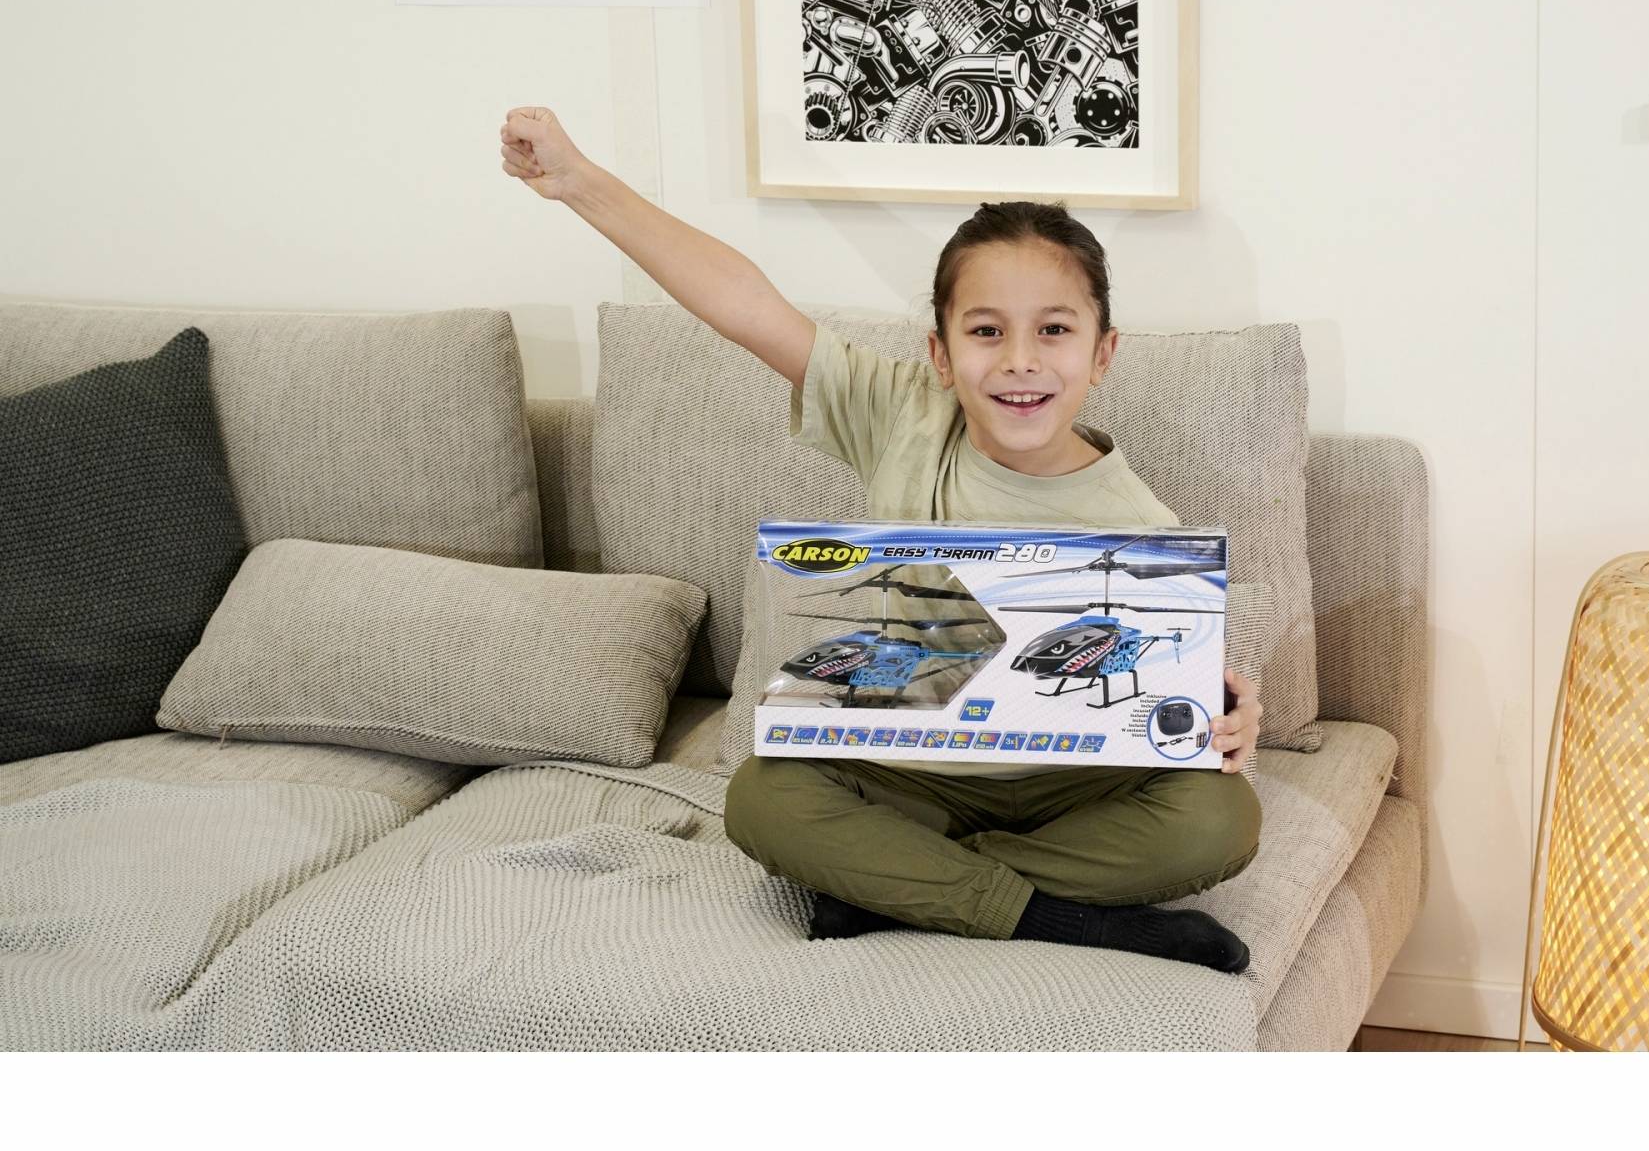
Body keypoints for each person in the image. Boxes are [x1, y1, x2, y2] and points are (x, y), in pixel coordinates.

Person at [499, 106, 1263, 973]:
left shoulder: (1143, 528)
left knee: (1220, 819)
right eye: (986, 331)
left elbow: (1176, 690)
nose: (1020, 359)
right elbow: (747, 306)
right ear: (940, 355)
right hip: (913, 770)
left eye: (1054, 330)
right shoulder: (903, 413)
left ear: (1101, 353)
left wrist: (1231, 713)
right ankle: (1063, 918)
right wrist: (580, 183)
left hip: (1065, 784)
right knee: (762, 796)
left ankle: (900, 890)